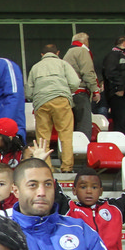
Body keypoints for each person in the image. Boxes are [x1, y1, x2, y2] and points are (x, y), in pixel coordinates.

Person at [54, 147, 125, 250]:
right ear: (74, 191)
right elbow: (52, 193)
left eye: (94, 187)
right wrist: (40, 166)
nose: (89, 191)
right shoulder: (69, 209)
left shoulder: (115, 208)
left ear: (101, 191)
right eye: (83, 187)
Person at [26, 43, 82, 172]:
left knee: (43, 138)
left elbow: (29, 92)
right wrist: (66, 91)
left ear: (42, 55)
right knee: (65, 135)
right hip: (61, 100)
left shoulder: (35, 67)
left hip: (41, 102)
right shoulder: (63, 64)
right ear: (57, 53)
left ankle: (46, 167)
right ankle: (67, 167)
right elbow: (75, 82)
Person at [100, 35, 125, 135]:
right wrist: (119, 88)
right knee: (120, 124)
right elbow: (110, 72)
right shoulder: (113, 55)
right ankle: (120, 143)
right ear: (124, 43)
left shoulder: (124, 56)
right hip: (120, 95)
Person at [64, 32, 99, 138]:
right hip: (81, 92)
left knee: (73, 126)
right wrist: (95, 90)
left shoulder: (68, 53)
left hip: (70, 93)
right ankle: (84, 146)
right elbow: (87, 72)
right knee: (84, 125)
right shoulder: (82, 51)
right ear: (85, 41)